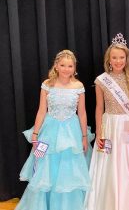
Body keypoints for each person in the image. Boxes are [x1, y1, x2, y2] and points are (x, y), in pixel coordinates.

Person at [15, 50, 94, 210]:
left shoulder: (78, 86)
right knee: (47, 167)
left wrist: (84, 136)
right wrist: (35, 134)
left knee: (69, 167)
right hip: (50, 130)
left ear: (74, 68)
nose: (66, 69)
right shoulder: (47, 84)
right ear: (56, 66)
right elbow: (41, 111)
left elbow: (82, 112)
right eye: (63, 65)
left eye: (70, 66)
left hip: (72, 132)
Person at [84, 33, 129, 210]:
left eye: (121, 57)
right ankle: (108, 201)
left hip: (127, 125)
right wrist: (100, 131)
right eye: (114, 58)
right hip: (109, 125)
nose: (118, 61)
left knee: (126, 162)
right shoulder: (102, 80)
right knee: (108, 162)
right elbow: (99, 108)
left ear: (127, 58)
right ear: (109, 59)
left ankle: (127, 201)